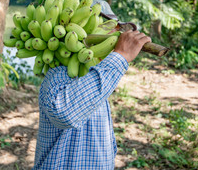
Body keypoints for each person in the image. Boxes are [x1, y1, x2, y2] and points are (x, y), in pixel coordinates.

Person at [32, 30, 152, 169]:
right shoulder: (61, 72)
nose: (118, 35)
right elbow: (64, 112)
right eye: (113, 27)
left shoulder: (93, 72)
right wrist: (121, 56)